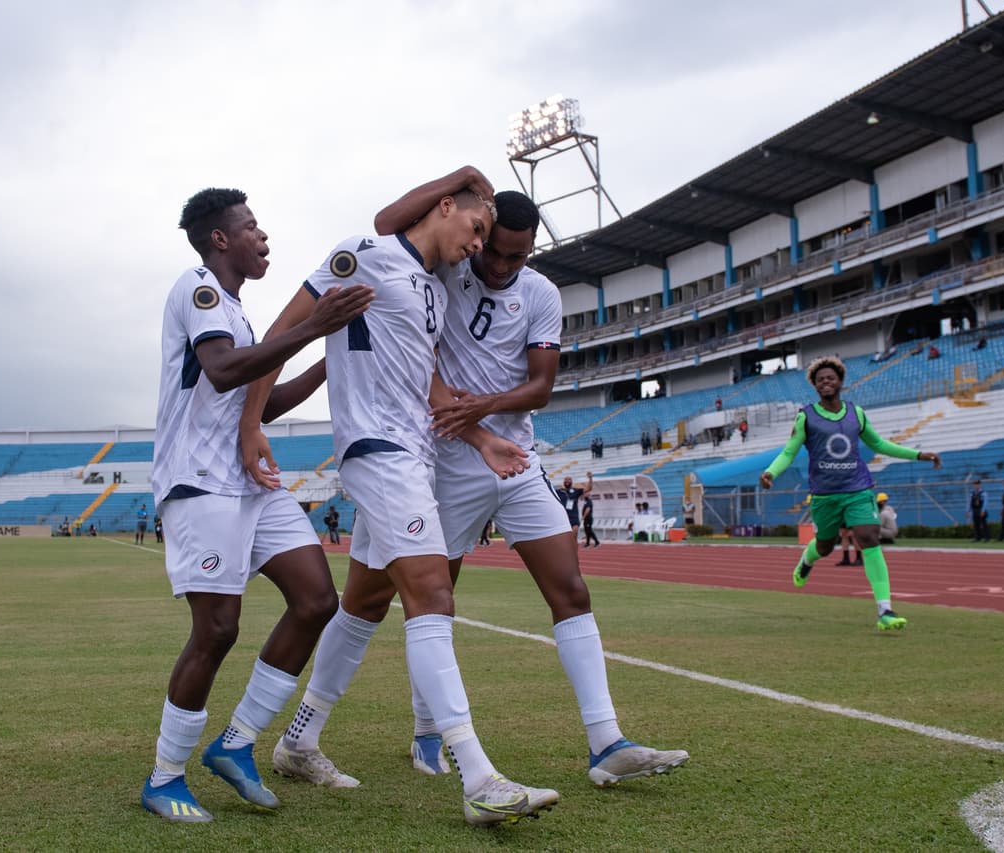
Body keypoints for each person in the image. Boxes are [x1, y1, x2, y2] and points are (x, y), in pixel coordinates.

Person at [269, 172, 684, 809]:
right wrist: (465, 177)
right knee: (377, 602)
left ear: (530, 253)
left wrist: (484, 420)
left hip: (513, 458)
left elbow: (541, 385)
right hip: (436, 461)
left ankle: (606, 743)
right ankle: (355, 733)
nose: (494, 261)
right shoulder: (443, 265)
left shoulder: (541, 293)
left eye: (512, 254)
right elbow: (387, 227)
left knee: (567, 588)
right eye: (490, 246)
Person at [240, 174, 558, 826]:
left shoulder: (433, 296)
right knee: (433, 593)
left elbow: (430, 388)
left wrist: (481, 439)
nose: (478, 247)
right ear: (446, 208)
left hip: (414, 454)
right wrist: (251, 424)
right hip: (379, 454)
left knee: (363, 604)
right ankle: (479, 777)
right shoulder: (367, 252)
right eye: (475, 230)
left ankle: (297, 737)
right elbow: (283, 330)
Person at [139, 187, 374, 824]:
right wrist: (311, 326)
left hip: (247, 482)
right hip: (200, 482)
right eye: (252, 227)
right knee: (216, 630)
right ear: (221, 239)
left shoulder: (240, 315)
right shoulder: (199, 291)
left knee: (317, 599)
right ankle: (164, 778)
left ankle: (236, 744)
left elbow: (259, 404)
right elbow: (221, 371)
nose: (263, 237)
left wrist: (328, 360)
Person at [759, 356, 942, 631]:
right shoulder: (806, 416)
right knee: (825, 545)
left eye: (830, 378)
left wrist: (918, 454)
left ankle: (885, 610)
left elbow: (879, 444)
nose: (826, 382)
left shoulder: (856, 413)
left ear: (840, 382)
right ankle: (806, 561)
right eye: (820, 380)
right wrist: (771, 472)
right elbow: (789, 451)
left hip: (858, 488)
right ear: (815, 386)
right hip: (824, 494)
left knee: (868, 536)